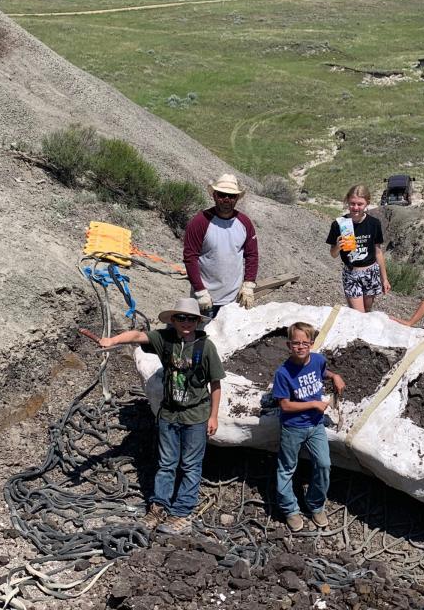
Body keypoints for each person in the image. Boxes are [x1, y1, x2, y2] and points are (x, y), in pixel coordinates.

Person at [91, 297, 224, 535]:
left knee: (191, 465)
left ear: (197, 321)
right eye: (181, 318)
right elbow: (135, 336)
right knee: (166, 464)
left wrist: (213, 417)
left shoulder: (206, 348)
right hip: (169, 415)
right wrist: (112, 340)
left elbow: (216, 385)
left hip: (196, 416)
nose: (186, 322)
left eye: (191, 318)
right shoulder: (165, 340)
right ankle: (158, 508)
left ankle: (182, 513)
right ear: (173, 320)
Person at [271, 322, 346, 532]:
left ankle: (315, 504)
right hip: (293, 427)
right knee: (286, 469)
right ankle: (290, 510)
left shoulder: (318, 360)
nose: (300, 346)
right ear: (288, 344)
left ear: (312, 344)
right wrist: (313, 403)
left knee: (323, 464)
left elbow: (322, 372)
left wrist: (335, 376)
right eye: (296, 343)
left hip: (315, 425)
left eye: (305, 342)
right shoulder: (283, 373)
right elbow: (285, 405)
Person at [183, 173, 258, 317]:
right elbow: (190, 257)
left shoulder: (245, 223)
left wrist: (249, 284)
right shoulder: (200, 222)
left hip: (233, 299)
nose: (226, 199)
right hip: (206, 298)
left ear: (236, 198)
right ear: (214, 195)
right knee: (202, 336)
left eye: (231, 196)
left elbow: (251, 255)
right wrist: (200, 291)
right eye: (222, 194)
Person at [326, 184, 390, 312]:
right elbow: (333, 254)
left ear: (367, 203)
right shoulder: (339, 224)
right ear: (347, 202)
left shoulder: (374, 223)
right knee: (358, 314)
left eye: (360, 204)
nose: (355, 208)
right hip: (351, 273)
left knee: (367, 310)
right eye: (352, 203)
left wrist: (384, 279)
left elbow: (378, 252)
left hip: (371, 273)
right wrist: (338, 247)